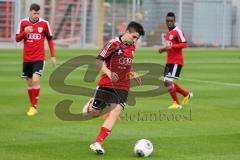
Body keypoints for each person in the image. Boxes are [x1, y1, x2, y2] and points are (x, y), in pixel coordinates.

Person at [82, 21, 144, 154]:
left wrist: (133, 71)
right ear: (127, 32)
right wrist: (109, 73)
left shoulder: (132, 47)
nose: (135, 40)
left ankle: (98, 143)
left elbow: (126, 62)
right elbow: (99, 61)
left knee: (116, 111)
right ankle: (91, 104)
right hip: (106, 84)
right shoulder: (112, 44)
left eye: (137, 38)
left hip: (123, 85)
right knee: (95, 113)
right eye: (134, 37)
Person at [15, 3, 56, 116]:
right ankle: (31, 105)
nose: (36, 15)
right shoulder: (23, 23)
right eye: (34, 13)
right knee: (29, 83)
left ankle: (33, 107)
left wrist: (53, 56)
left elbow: (50, 40)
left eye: (38, 13)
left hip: (39, 57)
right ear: (30, 12)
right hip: (27, 58)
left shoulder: (44, 23)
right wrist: (25, 32)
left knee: (35, 80)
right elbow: (17, 39)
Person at [159, 12, 193, 109]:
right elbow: (170, 48)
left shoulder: (177, 31)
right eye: (167, 21)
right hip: (169, 61)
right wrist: (163, 50)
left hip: (176, 61)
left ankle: (177, 103)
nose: (169, 23)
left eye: (171, 21)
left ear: (174, 21)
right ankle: (186, 94)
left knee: (168, 81)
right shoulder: (168, 34)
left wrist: (172, 46)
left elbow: (184, 44)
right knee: (166, 82)